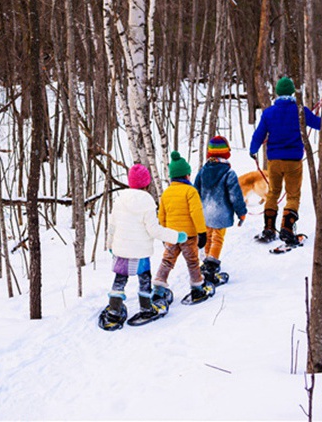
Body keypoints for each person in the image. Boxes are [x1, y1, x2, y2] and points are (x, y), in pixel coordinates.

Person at [104, 163, 187, 326]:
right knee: (144, 280)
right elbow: (154, 230)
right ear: (147, 184)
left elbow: (112, 225)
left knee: (120, 278)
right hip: (139, 251)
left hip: (121, 249)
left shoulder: (120, 200)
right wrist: (177, 236)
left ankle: (114, 310)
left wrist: (110, 244)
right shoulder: (147, 202)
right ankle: (146, 309)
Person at [249, 76, 321, 245]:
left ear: (277, 93)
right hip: (294, 161)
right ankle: (287, 229)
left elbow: (259, 134)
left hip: (274, 161)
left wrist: (253, 150)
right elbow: (319, 124)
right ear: (292, 93)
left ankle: (268, 228)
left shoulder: (269, 113)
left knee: (273, 193)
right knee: (293, 195)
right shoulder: (300, 110)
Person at [152, 151, 214, 304]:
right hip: (188, 236)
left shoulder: (166, 193)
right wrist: (202, 233)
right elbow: (196, 213)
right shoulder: (190, 191)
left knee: (167, 261)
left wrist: (165, 234)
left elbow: (162, 216)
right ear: (186, 176)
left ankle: (159, 289)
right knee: (192, 262)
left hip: (172, 236)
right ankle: (197, 288)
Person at [193, 136, 247, 284]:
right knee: (218, 238)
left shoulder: (203, 171)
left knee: (209, 236)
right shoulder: (229, 173)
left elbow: (195, 191)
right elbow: (235, 196)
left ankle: (206, 261)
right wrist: (241, 213)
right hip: (220, 213)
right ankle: (210, 266)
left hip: (205, 212)